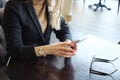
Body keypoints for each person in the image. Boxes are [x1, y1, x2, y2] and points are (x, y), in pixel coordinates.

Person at [2, 0, 77, 60]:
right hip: (20, 65)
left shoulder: (51, 4)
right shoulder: (13, 6)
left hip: (43, 64)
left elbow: (64, 29)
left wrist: (68, 41)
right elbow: (15, 51)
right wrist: (48, 49)